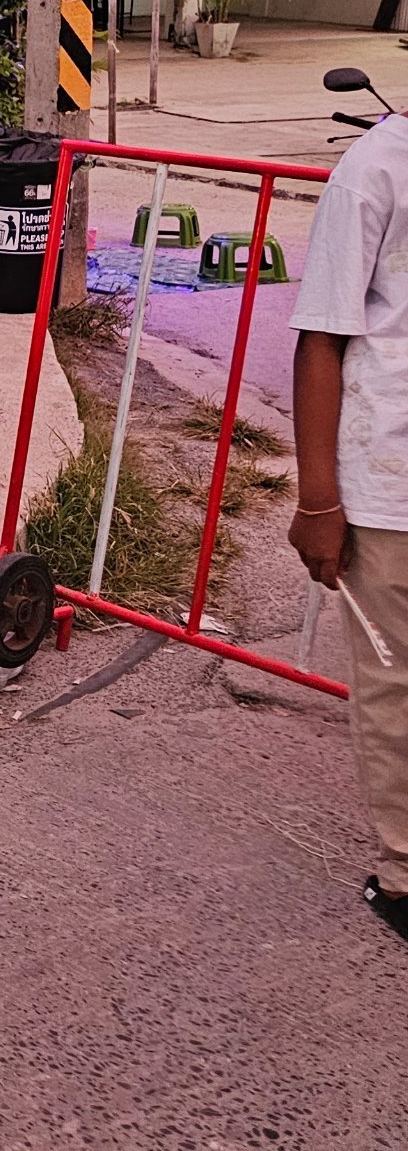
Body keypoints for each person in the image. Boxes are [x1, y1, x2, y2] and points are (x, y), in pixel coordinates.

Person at [289, 94, 408, 944]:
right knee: (396, 689)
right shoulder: (373, 169)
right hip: (389, 488)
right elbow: (320, 340)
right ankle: (405, 873)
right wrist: (318, 502)